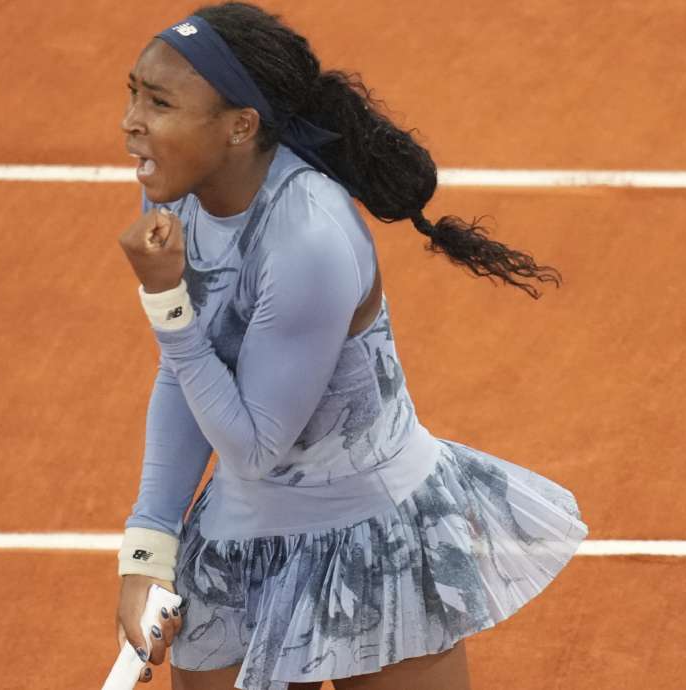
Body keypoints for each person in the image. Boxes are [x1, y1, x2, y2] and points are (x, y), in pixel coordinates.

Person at [113, 4, 588, 689]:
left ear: (240, 126)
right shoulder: (174, 196)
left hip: (371, 541)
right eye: (133, 91)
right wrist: (149, 549)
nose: (131, 120)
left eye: (159, 102)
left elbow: (252, 445)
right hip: (240, 541)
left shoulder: (309, 237)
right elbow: (183, 379)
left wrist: (168, 305)